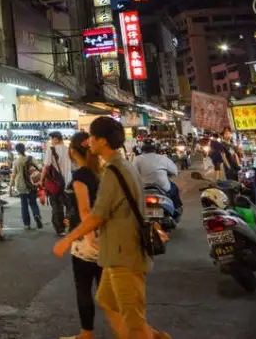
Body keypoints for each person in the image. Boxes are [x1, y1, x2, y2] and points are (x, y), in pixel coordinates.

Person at [53, 117, 169, 339]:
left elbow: (96, 215)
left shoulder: (113, 171)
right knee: (107, 299)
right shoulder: (123, 165)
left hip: (123, 254)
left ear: (102, 141)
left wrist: (67, 240)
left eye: (92, 137)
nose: (89, 142)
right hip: (117, 252)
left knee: (134, 322)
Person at [61, 132, 103, 339]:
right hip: (106, 235)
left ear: (72, 151)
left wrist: (89, 239)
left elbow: (85, 210)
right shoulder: (101, 172)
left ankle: (87, 333)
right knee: (108, 292)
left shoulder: (80, 176)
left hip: (87, 239)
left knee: (84, 288)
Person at [133, 140, 181, 212]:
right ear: (155, 149)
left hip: (143, 188)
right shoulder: (162, 158)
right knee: (174, 188)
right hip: (162, 187)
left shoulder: (137, 159)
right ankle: (176, 209)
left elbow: (133, 173)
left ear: (142, 150)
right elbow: (175, 171)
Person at [41, 130, 72, 236]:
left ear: (56, 139)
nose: (51, 141)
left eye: (52, 139)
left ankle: (60, 229)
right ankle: (70, 226)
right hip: (68, 181)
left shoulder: (51, 150)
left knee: (57, 206)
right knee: (69, 205)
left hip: (56, 184)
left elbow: (46, 166)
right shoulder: (69, 150)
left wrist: (41, 180)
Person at [9, 142, 42, 230]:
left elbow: (13, 175)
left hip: (21, 185)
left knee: (24, 205)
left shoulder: (16, 161)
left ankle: (27, 224)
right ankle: (36, 215)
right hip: (31, 184)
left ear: (17, 151)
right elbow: (39, 168)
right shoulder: (31, 158)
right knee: (33, 203)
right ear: (24, 149)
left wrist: (10, 188)